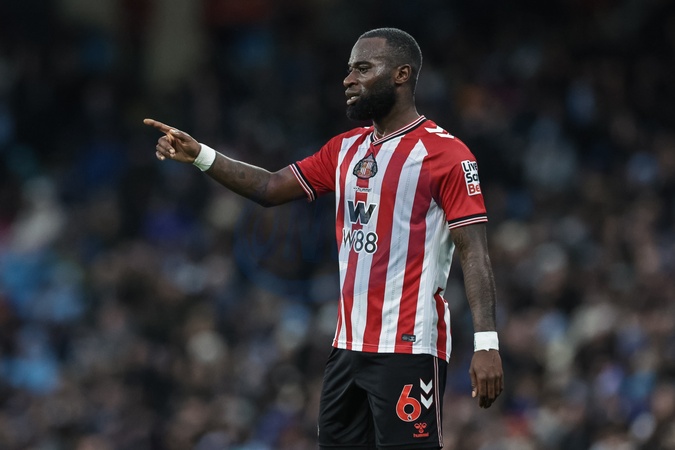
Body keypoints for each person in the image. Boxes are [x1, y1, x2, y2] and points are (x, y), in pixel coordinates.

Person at [145, 27, 503, 450]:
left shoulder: (447, 156)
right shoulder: (345, 149)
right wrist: (200, 155)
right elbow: (270, 187)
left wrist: (486, 343)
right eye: (349, 69)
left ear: (402, 74)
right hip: (346, 348)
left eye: (363, 68)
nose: (348, 79)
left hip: (408, 347)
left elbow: (474, 252)